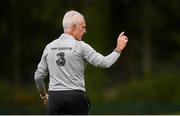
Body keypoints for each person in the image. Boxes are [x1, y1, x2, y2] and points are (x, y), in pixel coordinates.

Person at [34, 10, 128, 115]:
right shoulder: (80, 46)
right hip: (75, 98)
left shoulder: (49, 47)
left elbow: (38, 77)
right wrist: (118, 49)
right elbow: (105, 63)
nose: (85, 31)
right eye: (83, 27)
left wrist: (44, 96)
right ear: (74, 27)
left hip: (54, 99)